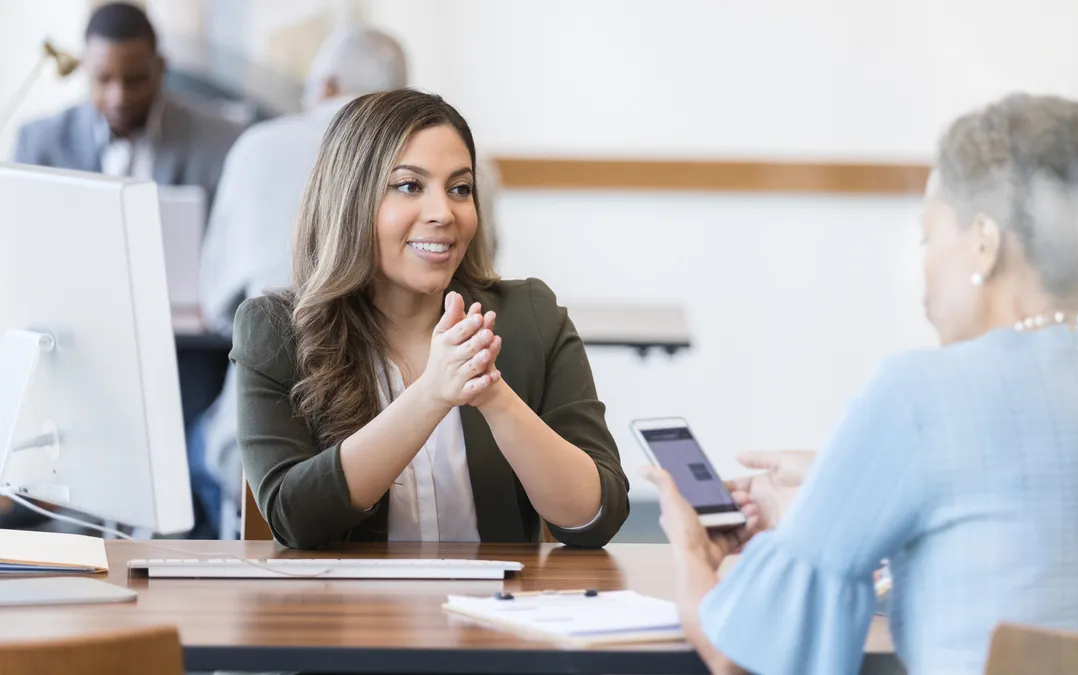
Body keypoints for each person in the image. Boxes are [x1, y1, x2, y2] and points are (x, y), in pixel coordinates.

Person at [645, 93, 1078, 675]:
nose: (926, 267)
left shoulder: (919, 394)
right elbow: (1052, 533)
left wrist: (689, 546)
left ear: (984, 242)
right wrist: (842, 484)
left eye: (928, 238)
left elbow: (737, 655)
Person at [232, 89, 628, 549]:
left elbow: (595, 518)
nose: (444, 213)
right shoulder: (275, 330)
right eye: (409, 186)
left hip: (494, 612)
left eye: (460, 189)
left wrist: (493, 395)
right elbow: (292, 519)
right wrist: (431, 394)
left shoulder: (531, 317)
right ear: (349, 199)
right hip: (346, 616)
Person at [192, 27, 410, 537]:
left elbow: (216, 304)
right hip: (416, 409)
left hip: (276, 427)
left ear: (327, 84)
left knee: (202, 440)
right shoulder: (463, 164)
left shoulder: (259, 146)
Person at [12, 2, 242, 211]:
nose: (119, 97)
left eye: (136, 80)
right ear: (85, 70)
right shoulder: (39, 144)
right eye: (103, 79)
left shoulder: (221, 141)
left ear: (161, 68)